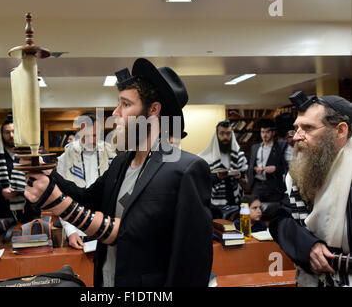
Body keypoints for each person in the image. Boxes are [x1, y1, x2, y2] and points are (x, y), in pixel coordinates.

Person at [24, 58, 213, 287]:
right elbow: (87, 199)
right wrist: (47, 174)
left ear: (153, 110)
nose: (115, 113)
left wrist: (59, 203)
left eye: (125, 105)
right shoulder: (121, 162)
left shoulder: (184, 170)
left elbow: (132, 234)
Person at [270, 93, 352, 287]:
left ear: (340, 131)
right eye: (296, 128)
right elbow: (281, 219)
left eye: (308, 128)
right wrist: (309, 246)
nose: (297, 137)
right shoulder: (303, 170)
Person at [56, 112, 116, 249]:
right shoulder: (65, 158)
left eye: (95, 135)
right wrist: (70, 231)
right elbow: (61, 197)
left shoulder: (111, 154)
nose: (91, 140)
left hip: (105, 226)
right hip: (76, 229)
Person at [0, 117, 40, 224]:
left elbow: (42, 180)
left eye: (14, 132)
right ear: (2, 135)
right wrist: (1, 192)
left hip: (31, 208)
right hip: (4, 210)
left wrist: (24, 189)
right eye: (7, 132)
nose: (11, 136)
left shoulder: (33, 153)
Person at [198, 120, 248, 219]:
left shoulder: (239, 156)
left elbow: (245, 180)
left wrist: (240, 177)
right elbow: (201, 182)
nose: (225, 137)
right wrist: (217, 176)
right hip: (214, 204)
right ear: (216, 135)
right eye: (222, 133)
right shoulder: (206, 158)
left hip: (235, 201)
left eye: (228, 133)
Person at [246, 119, 286, 220]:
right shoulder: (255, 147)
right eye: (262, 132)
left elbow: (286, 167)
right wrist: (255, 169)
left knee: (273, 212)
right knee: (254, 212)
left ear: (273, 132)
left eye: (267, 132)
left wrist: (275, 168)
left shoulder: (280, 148)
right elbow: (250, 165)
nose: (264, 135)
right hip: (257, 184)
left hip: (273, 185)